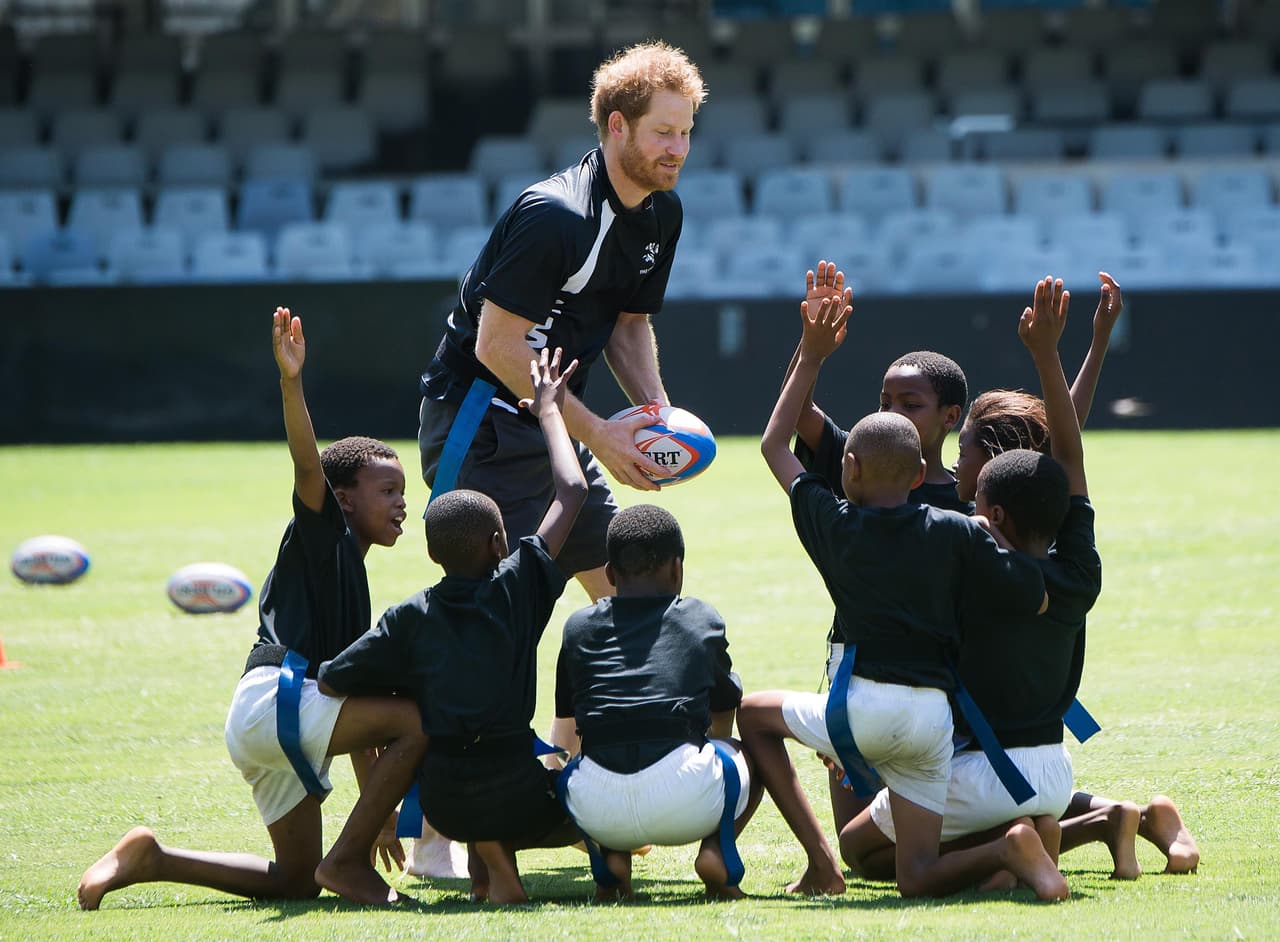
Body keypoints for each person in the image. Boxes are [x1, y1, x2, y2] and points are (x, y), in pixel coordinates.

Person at [78, 307, 428, 910]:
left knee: (297, 881)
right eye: (388, 491)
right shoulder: (326, 535)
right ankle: (347, 864)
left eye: (404, 492)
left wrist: (380, 813)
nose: (402, 504)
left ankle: (152, 857)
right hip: (279, 705)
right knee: (416, 720)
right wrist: (292, 382)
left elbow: (357, 708)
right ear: (344, 500)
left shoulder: (350, 572)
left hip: (265, 716)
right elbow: (308, 465)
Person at [740, 291, 1067, 901]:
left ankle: (821, 865)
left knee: (766, 728)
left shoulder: (841, 515)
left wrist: (813, 351)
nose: (893, 411)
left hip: (869, 696)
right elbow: (1033, 587)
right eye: (885, 401)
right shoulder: (964, 524)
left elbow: (775, 443)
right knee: (894, 864)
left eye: (909, 403)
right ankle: (1012, 849)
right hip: (932, 711)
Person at [840, 276, 1100, 889]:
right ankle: (1066, 831)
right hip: (1054, 769)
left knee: (862, 851)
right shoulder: (1078, 570)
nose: (960, 469)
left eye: (976, 490)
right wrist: (1060, 352)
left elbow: (1058, 462)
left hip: (983, 764)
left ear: (993, 513)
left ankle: (1011, 850)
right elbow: (1067, 458)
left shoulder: (970, 561)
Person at [319, 347, 588, 905]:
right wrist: (549, 411)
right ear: (500, 544)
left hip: (443, 804)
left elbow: (332, 679)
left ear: (432, 554)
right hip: (520, 798)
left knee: (473, 775)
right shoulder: (520, 585)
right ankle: (513, 871)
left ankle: (486, 872)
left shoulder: (408, 617)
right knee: (590, 805)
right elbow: (573, 490)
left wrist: (413, 690)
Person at [553, 504, 762, 901]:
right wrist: (714, 749)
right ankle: (716, 852)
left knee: (604, 747)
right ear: (677, 569)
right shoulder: (699, 618)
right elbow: (725, 704)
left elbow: (572, 717)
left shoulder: (578, 627)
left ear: (609, 574)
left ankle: (613, 860)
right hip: (687, 800)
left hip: (597, 805)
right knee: (750, 752)